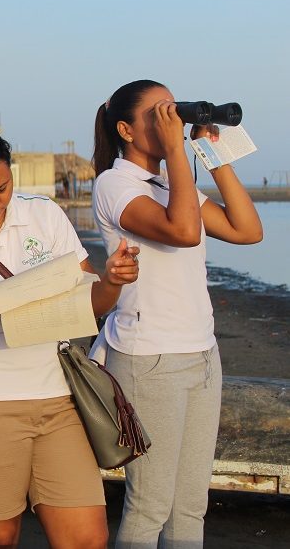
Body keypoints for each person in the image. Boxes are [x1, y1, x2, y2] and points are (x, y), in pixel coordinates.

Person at [0, 122, 140, 548]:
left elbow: (88, 302)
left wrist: (113, 282)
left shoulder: (43, 214)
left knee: (87, 539)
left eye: (3, 187)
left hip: (58, 400)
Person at [92, 80, 263, 548]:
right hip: (151, 360)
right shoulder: (115, 184)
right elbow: (184, 231)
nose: (171, 119)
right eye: (158, 113)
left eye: (174, 110)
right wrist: (174, 151)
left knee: (190, 506)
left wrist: (211, 155)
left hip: (202, 354)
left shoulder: (169, 182)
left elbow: (246, 230)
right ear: (125, 129)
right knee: (150, 506)